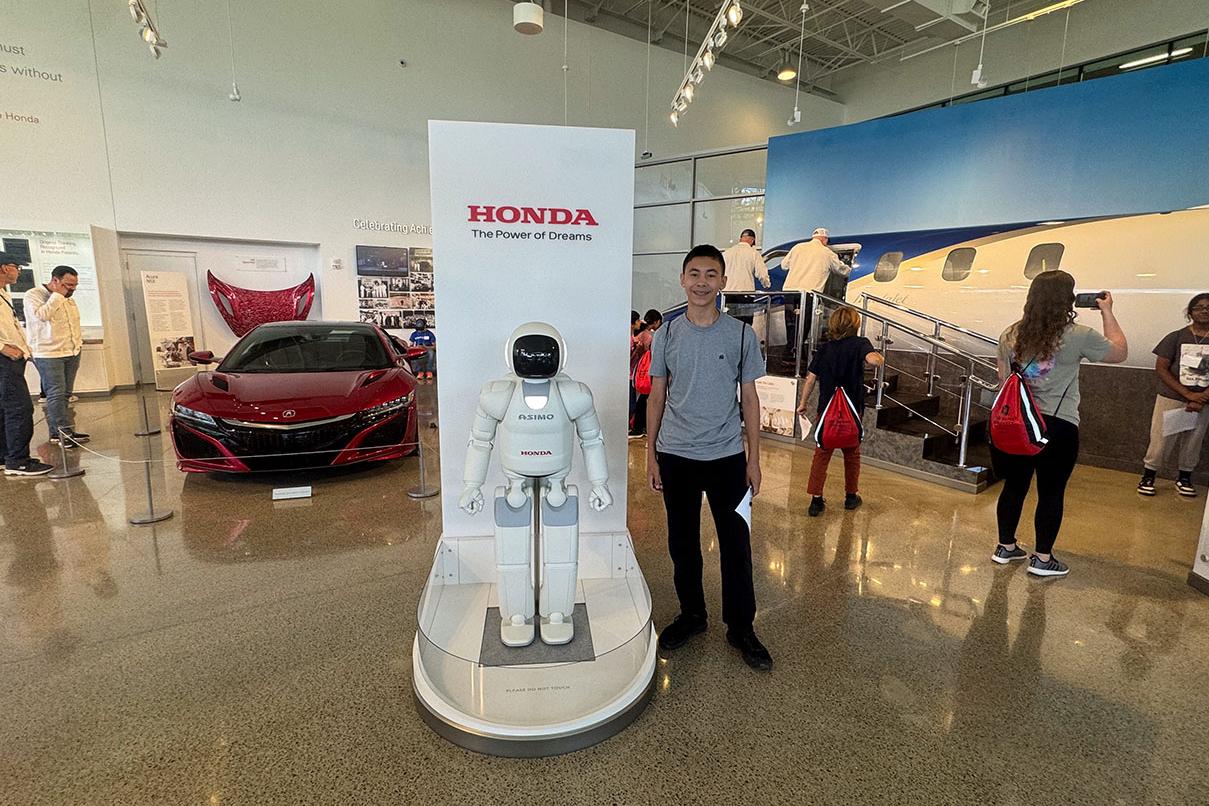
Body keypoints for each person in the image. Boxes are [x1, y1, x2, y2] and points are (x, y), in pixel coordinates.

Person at [646, 244, 771, 670]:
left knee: (737, 545)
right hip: (676, 454)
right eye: (694, 273)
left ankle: (741, 627)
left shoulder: (740, 334)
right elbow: (656, 396)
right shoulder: (667, 333)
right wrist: (651, 455)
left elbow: (750, 400)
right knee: (683, 544)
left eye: (711, 274)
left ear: (722, 281)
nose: (702, 282)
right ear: (683, 280)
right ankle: (692, 615)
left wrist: (753, 459)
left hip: (728, 458)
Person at [991, 270, 1127, 578]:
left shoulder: (1010, 334)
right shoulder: (1078, 334)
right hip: (1058, 426)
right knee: (1051, 492)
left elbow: (1003, 379)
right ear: (1069, 299)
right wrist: (1107, 311)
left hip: (1018, 424)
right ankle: (1042, 559)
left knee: (1014, 486)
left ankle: (1005, 547)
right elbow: (1119, 352)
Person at [795, 306, 884, 517]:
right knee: (852, 454)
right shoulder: (860, 344)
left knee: (821, 454)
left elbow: (810, 378)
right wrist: (879, 359)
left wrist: (803, 402)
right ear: (855, 324)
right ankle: (851, 496)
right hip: (852, 411)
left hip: (826, 410)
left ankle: (816, 500)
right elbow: (873, 360)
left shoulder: (826, 348)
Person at [1137, 293, 1209, 497]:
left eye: (1208, 307)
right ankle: (1149, 476)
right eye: (1199, 307)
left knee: (1194, 439)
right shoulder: (1176, 336)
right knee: (1161, 438)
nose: (1204, 310)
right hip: (1172, 397)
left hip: (1204, 401)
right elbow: (1161, 368)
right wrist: (1187, 394)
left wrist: (1202, 397)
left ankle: (1184, 477)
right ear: (1190, 312)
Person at [0, 253, 54, 477]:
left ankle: (6, 456)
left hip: (12, 358)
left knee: (5, 409)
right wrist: (3, 348)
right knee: (19, 409)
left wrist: (24, 350)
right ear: (4, 268)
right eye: (16, 266)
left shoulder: (4, 294)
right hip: (4, 360)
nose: (18, 271)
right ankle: (18, 461)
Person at [26, 265, 88, 445]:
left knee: (66, 394)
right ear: (55, 280)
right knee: (56, 393)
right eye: (68, 285)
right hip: (48, 353)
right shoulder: (34, 295)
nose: (72, 289)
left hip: (72, 350)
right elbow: (42, 315)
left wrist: (78, 344)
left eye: (75, 285)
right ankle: (62, 434)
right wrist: (57, 296)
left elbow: (73, 323)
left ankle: (62, 432)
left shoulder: (68, 298)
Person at [781, 227, 850, 294]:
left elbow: (784, 266)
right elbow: (841, 270)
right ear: (825, 239)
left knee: (790, 305)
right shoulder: (827, 253)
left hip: (789, 291)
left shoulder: (797, 247)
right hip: (808, 293)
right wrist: (850, 270)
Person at [628, 309, 662, 439]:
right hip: (640, 373)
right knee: (640, 402)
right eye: (636, 320)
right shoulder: (648, 336)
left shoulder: (636, 334)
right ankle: (639, 427)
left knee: (640, 401)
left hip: (636, 373)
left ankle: (637, 427)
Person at [409, 318, 436, 383]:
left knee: (431, 353)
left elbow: (435, 347)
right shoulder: (414, 334)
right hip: (418, 350)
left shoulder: (430, 334)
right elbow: (410, 346)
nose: (419, 331)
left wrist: (425, 347)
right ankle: (420, 373)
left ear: (424, 326)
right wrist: (415, 348)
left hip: (428, 349)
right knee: (415, 355)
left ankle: (429, 372)